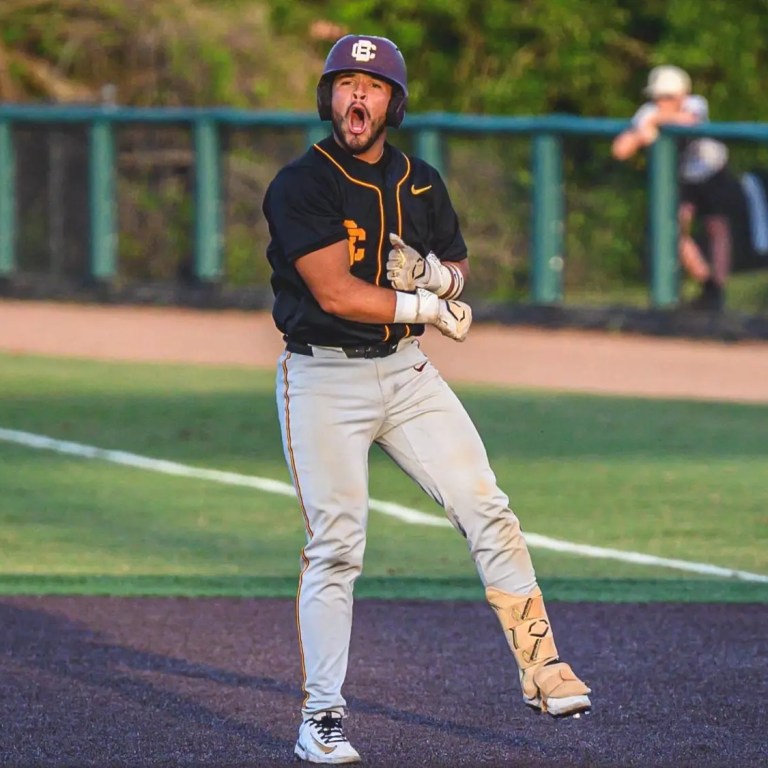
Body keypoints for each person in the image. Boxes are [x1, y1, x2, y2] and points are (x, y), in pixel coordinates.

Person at [262, 34, 591, 764]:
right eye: (346, 83)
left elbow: (457, 264)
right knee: (337, 547)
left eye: (373, 86)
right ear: (328, 97)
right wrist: (425, 304)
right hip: (323, 379)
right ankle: (320, 719)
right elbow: (336, 292)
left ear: (393, 102)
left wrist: (441, 283)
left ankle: (543, 668)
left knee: (488, 508)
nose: (358, 97)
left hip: (407, 374)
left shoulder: (422, 179)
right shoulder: (301, 183)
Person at [611, 64, 742, 311]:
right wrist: (640, 134)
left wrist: (654, 122)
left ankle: (719, 291)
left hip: (712, 171)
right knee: (674, 229)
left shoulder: (695, 104)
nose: (662, 102)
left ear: (683, 94)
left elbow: (688, 122)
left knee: (717, 228)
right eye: (658, 97)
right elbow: (620, 150)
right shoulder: (648, 113)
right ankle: (708, 285)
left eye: (668, 97)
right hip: (683, 178)